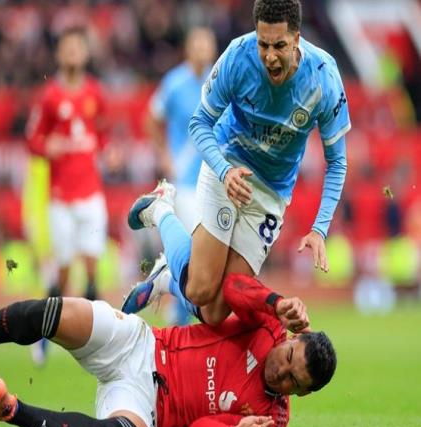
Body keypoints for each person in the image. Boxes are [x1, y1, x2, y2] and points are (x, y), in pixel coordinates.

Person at [124, 0, 350, 325]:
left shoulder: (324, 78)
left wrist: (319, 229)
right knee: (201, 290)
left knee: (216, 313)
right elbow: (200, 122)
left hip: (271, 193)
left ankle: (166, 277)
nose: (269, 56)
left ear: (297, 39)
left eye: (279, 46)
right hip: (228, 166)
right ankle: (160, 209)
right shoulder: (237, 56)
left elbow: (337, 162)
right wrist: (224, 170)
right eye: (263, 44)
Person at [0, 273, 336, 427]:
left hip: (148, 407)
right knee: (54, 313)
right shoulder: (271, 323)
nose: (280, 371)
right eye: (288, 357)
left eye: (292, 381)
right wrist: (275, 300)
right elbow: (230, 288)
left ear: (302, 393)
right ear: (294, 337)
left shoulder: (271, 420)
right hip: (141, 343)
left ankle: (13, 411)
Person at [26, 27, 108, 302]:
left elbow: (103, 134)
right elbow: (32, 139)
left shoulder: (95, 93)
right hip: (60, 196)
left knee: (92, 267)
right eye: (67, 47)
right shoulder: (49, 96)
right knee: (63, 268)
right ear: (59, 54)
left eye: (77, 47)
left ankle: (92, 319)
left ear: (85, 54)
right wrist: (46, 147)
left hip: (91, 191)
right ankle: (50, 314)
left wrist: (109, 152)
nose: (73, 52)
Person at [145, 27, 217, 325]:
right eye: (197, 44)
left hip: (214, 179)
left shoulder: (218, 81)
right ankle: (178, 311)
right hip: (186, 179)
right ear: (188, 48)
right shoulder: (174, 83)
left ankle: (173, 295)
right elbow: (151, 118)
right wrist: (164, 156)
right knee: (193, 248)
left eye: (206, 45)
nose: (202, 50)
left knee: (205, 250)